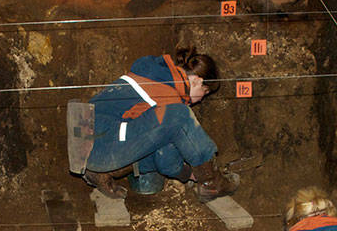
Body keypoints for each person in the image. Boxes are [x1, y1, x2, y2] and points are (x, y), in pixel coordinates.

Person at [82, 45, 238, 202]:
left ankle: (100, 174)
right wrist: (197, 173)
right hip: (103, 144)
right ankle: (212, 182)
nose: (201, 99)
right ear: (197, 81)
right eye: (204, 92)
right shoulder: (167, 94)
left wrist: (188, 174)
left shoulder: (157, 74)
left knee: (161, 131)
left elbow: (161, 153)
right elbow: (167, 157)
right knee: (180, 115)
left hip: (89, 142)